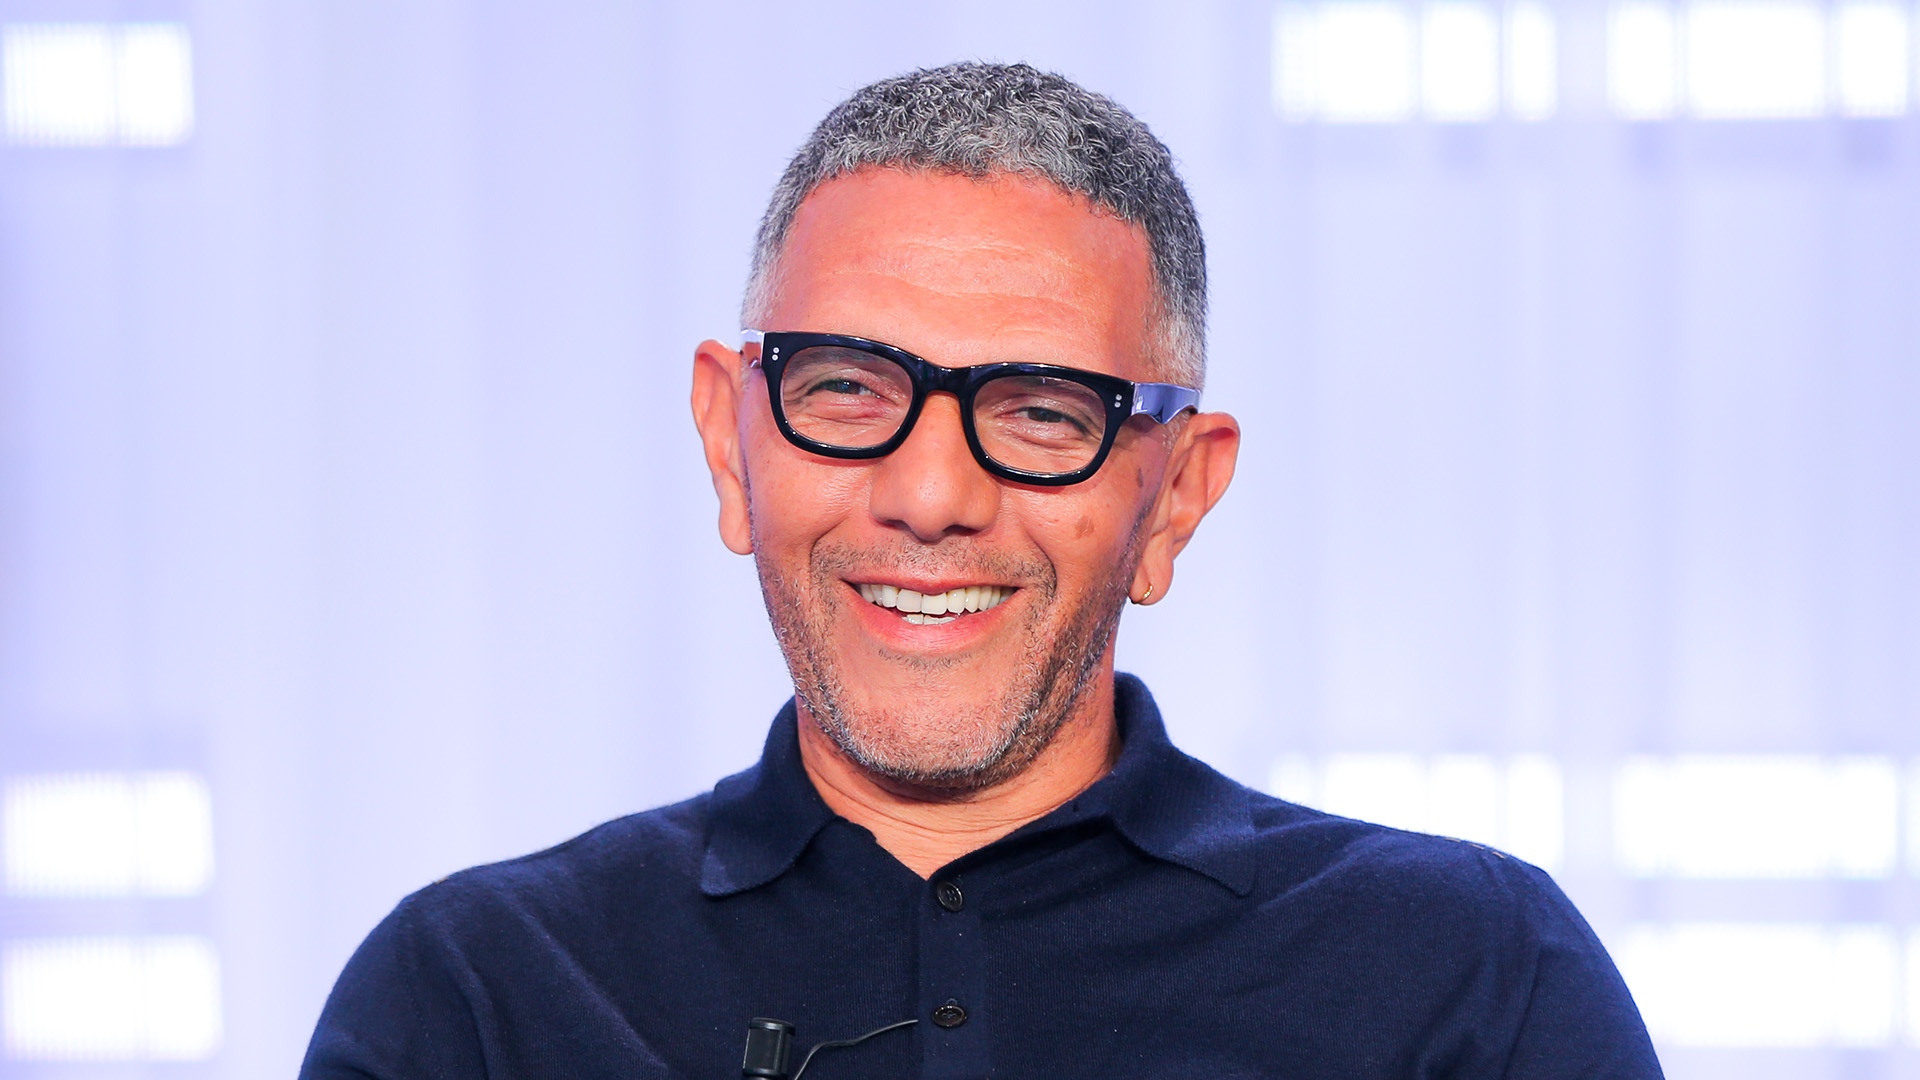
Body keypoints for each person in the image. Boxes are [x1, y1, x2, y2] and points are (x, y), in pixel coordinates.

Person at [302, 62, 1663, 1079]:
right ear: (730, 444)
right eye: (845, 388)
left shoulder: (1471, 982)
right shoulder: (475, 1002)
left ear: (1175, 498)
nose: (931, 497)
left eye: (1044, 412)